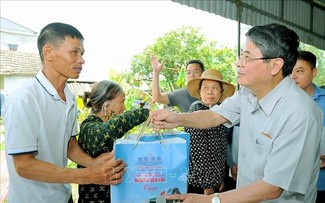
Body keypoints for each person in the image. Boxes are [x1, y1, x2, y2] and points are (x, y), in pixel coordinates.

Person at [151, 23, 322, 203]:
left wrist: (208, 200)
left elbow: (273, 187)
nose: (238, 62)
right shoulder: (248, 94)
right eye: (241, 55)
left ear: (275, 65)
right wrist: (177, 118)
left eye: (247, 57)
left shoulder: (300, 113)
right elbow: (214, 116)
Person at [1, 22, 126, 203]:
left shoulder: (68, 96)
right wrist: (86, 176)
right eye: (74, 52)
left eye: (82, 53)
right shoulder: (24, 100)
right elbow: (24, 165)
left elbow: (68, 144)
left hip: (63, 195)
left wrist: (93, 162)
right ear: (49, 53)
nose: (81, 60)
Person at [77, 80, 149, 203]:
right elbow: (107, 132)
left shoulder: (101, 125)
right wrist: (147, 113)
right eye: (122, 102)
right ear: (106, 106)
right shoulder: (89, 127)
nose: (124, 107)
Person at [185, 69, 235, 195]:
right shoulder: (196, 109)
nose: (210, 92)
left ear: (221, 92)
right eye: (205, 88)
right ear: (200, 92)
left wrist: (220, 177)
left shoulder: (219, 111)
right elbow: (198, 150)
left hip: (215, 179)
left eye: (215, 88)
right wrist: (208, 185)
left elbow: (221, 147)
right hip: (199, 182)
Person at [291, 50, 325, 203]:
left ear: (314, 72)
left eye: (299, 71)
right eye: (291, 71)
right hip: (290, 184)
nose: (293, 76)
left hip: (321, 182)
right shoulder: (284, 102)